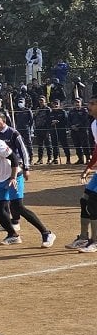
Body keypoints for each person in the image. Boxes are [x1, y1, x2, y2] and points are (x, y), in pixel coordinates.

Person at [0, 121, 55, 248]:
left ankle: (46, 233)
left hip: (13, 176)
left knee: (17, 207)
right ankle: (13, 235)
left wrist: (13, 178)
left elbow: (14, 158)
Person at [0, 111, 31, 231]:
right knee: (3, 200)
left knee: (15, 200)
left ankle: (15, 221)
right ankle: (7, 222)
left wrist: (26, 168)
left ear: (4, 121)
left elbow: (23, 151)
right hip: (0, 171)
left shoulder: (13, 133)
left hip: (14, 169)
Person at [67, 96, 97, 252]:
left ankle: (95, 241)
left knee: (93, 202)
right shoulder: (94, 124)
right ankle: (84, 237)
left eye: (92, 103)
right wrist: (88, 168)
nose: (88, 106)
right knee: (85, 200)